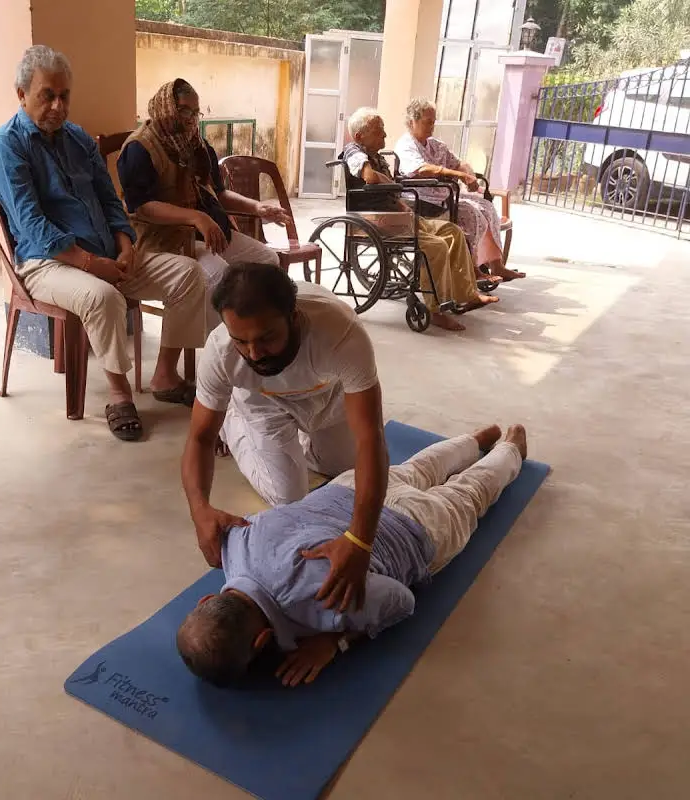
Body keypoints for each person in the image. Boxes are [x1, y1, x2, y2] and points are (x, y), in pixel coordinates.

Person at [177, 423, 528, 688]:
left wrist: (334, 641)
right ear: (207, 599)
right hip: (354, 490)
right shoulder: (230, 545)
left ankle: (510, 448)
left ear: (262, 640)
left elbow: (401, 601)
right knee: (419, 468)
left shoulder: (323, 606)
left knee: (470, 494)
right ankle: (473, 441)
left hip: (416, 524)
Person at [0, 45, 209, 440]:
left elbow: (110, 199)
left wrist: (124, 243)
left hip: (107, 254)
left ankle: (164, 376)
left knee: (189, 273)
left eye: (64, 95)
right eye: (46, 95)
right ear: (21, 95)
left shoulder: (79, 140)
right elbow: (32, 225)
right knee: (102, 297)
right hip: (45, 263)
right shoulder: (6, 145)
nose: (57, 105)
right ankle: (120, 395)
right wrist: (90, 264)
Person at [182, 262, 388, 613]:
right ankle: (234, 425)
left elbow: (371, 438)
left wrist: (360, 541)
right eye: (241, 340)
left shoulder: (341, 334)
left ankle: (295, 443)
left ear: (293, 317)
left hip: (327, 395)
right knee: (291, 499)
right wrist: (199, 510)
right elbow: (201, 436)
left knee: (344, 469)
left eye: (265, 338)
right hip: (263, 402)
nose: (254, 353)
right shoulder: (220, 352)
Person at [117, 78, 289, 335]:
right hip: (161, 238)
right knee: (218, 277)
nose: (190, 118)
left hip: (205, 233)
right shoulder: (140, 148)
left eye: (195, 112)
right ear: (166, 107)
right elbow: (141, 207)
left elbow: (218, 193)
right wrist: (196, 217)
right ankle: (221, 350)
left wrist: (257, 208)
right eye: (184, 110)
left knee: (266, 260)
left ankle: (258, 335)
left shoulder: (196, 145)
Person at [344, 108, 498, 334]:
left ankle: (467, 295)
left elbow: (385, 183)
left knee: (452, 231)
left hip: (397, 215)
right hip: (376, 219)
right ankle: (435, 309)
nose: (385, 136)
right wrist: (391, 185)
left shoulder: (377, 156)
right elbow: (369, 177)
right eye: (379, 132)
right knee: (434, 246)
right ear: (360, 136)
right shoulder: (353, 151)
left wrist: (397, 197)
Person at [396, 98, 525, 282]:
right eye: (427, 122)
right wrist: (457, 175)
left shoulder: (435, 144)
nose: (432, 126)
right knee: (473, 214)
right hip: (423, 198)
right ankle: (473, 269)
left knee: (486, 206)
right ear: (411, 122)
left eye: (433, 122)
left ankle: (497, 264)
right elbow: (420, 169)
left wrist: (468, 175)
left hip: (444, 193)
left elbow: (459, 163)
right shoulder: (406, 145)